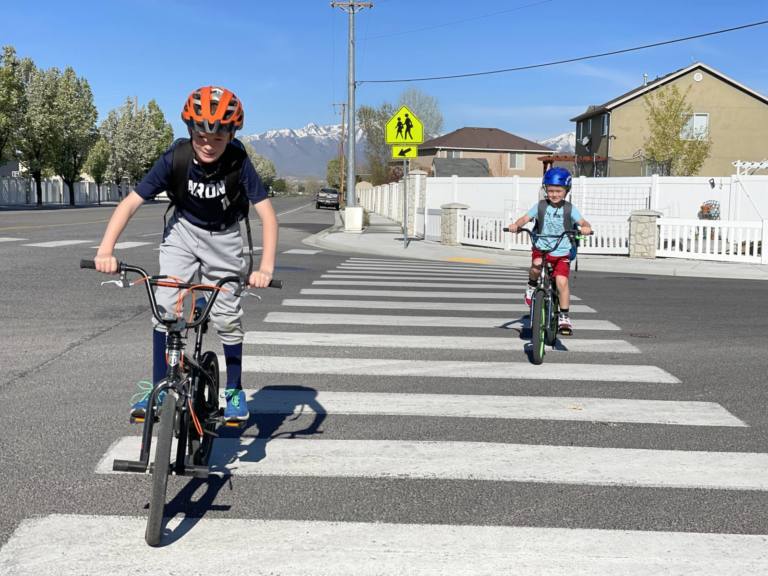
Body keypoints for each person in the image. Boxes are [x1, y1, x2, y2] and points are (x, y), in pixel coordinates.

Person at [94, 86, 278, 423]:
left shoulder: (238, 162)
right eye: (200, 135)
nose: (208, 143)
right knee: (165, 308)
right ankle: (159, 386)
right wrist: (106, 250)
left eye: (218, 138)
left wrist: (265, 267)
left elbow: (267, 215)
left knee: (226, 316)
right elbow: (131, 203)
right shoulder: (175, 158)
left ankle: (234, 388)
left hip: (225, 237)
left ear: (231, 134)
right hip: (182, 233)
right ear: (190, 130)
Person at [507, 167, 591, 335]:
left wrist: (586, 227)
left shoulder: (569, 209)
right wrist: (516, 225)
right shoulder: (540, 206)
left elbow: (582, 221)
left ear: (566, 190)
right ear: (545, 189)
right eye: (550, 190)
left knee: (561, 282)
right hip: (542, 248)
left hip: (561, 252)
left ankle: (564, 317)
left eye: (558, 191)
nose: (554, 194)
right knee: (536, 266)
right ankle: (531, 286)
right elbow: (525, 218)